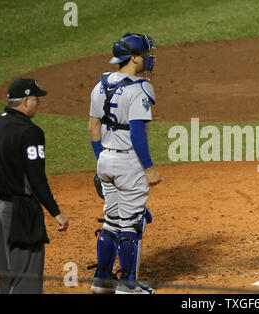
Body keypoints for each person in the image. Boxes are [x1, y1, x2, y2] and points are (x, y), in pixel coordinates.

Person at [88, 33, 163, 294]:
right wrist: (149, 167)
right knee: (130, 224)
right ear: (134, 58)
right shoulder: (140, 89)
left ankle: (102, 280)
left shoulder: (100, 85)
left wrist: (102, 161)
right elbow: (136, 134)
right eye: (145, 55)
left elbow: (93, 126)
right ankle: (128, 286)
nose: (148, 59)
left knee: (111, 219)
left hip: (106, 159)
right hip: (128, 162)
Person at [0, 78, 69, 294]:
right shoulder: (30, 132)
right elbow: (36, 178)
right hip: (19, 213)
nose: (39, 103)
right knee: (26, 277)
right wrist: (56, 212)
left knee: (7, 274)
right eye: (37, 99)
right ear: (26, 100)